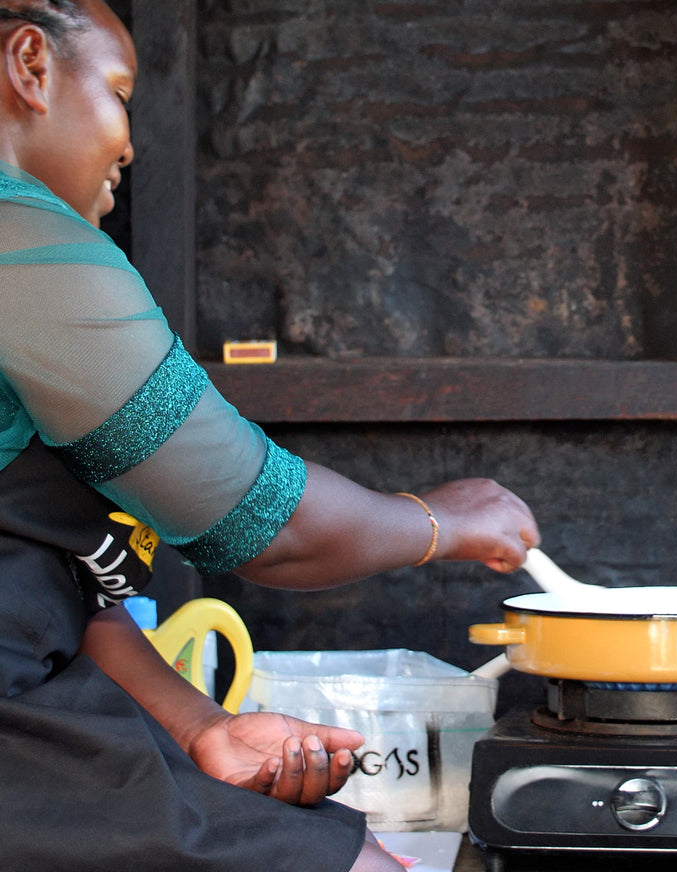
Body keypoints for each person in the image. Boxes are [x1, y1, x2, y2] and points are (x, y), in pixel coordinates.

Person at [0, 2, 540, 870]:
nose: (129, 145)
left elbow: (59, 583)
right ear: (30, 65)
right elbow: (267, 525)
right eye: (118, 92)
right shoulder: (19, 239)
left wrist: (205, 727)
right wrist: (442, 521)